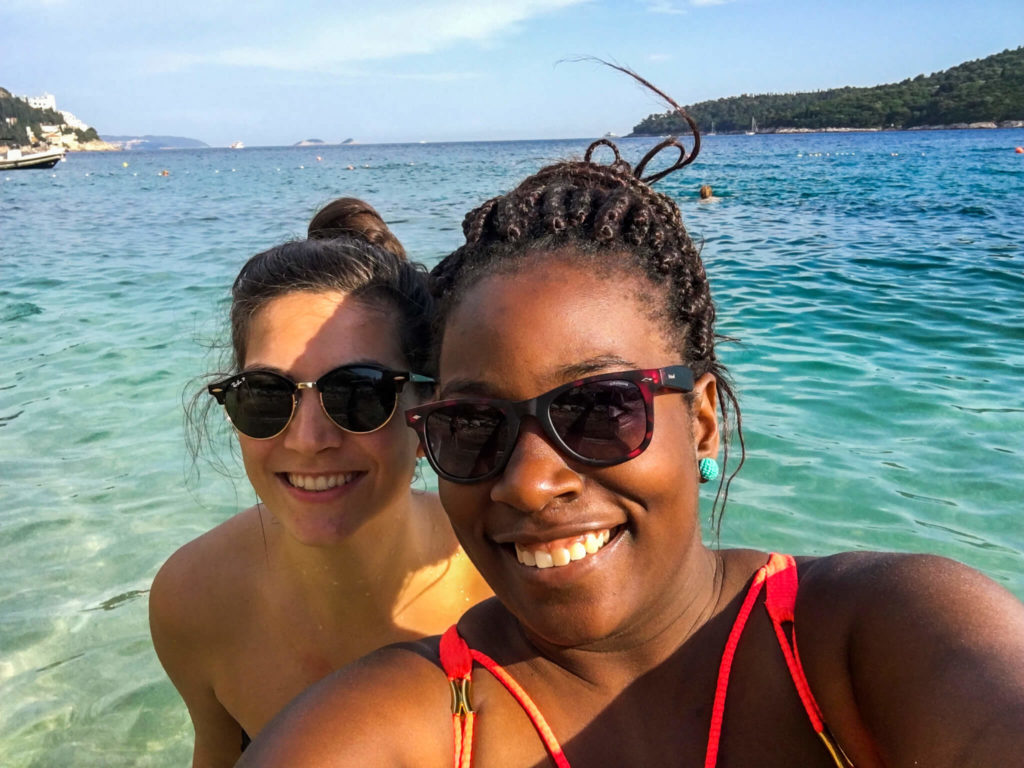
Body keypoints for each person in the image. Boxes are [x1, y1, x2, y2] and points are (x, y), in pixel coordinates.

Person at [239, 104, 1024, 767]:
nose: (528, 481)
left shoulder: (872, 640)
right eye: (474, 426)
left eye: (600, 408)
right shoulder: (408, 723)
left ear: (704, 418)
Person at [149, 197, 492, 767]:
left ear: (427, 402)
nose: (309, 440)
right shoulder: (195, 601)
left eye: (357, 393)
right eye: (264, 395)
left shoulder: (504, 582)